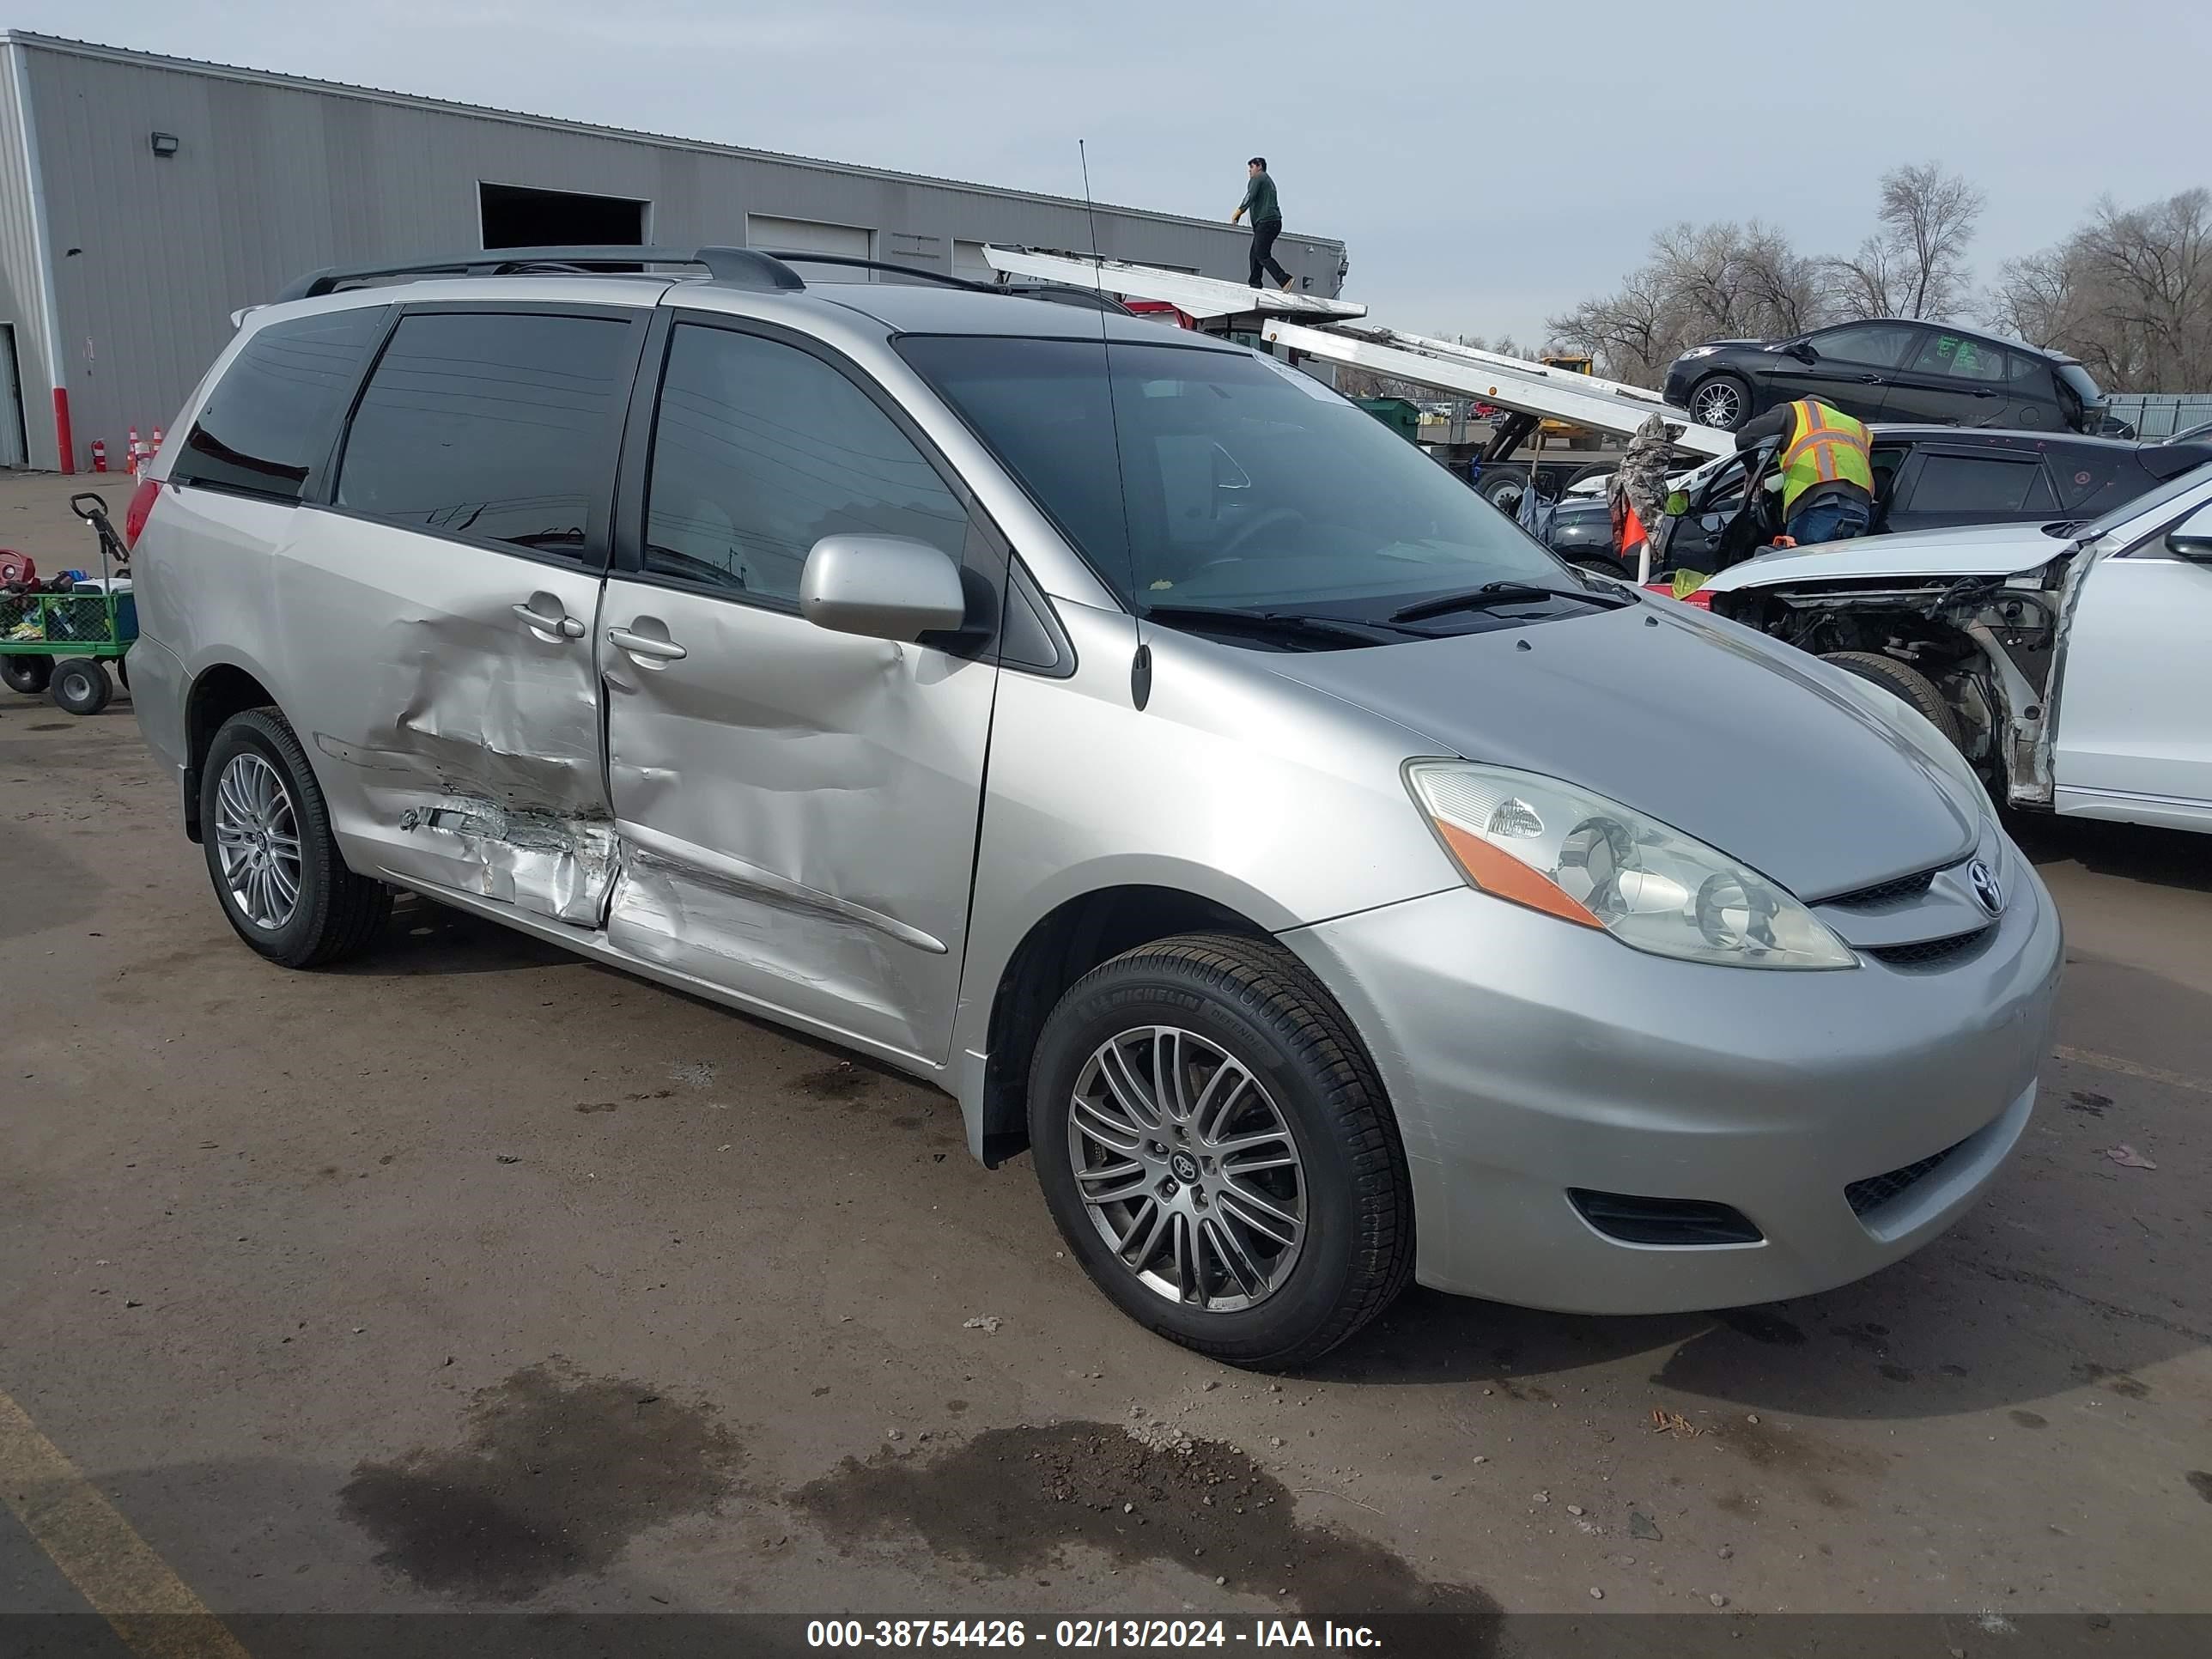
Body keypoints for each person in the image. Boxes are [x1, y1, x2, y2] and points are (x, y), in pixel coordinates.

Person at [1733, 396, 1875, 547]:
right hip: (1860, 511)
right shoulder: (1858, 427)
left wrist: (1753, 471)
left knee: (1799, 565)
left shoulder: (1795, 411)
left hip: (1819, 504)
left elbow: (1744, 437)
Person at [1231, 157, 1293, 291]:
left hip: (1267, 222)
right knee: (1254, 254)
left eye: (1251, 168)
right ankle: (1255, 284)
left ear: (1259, 166)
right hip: (1272, 223)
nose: (1249, 171)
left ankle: (1284, 279)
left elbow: (1250, 195)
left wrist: (1239, 211)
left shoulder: (1258, 178)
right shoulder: (1268, 180)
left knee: (1261, 254)